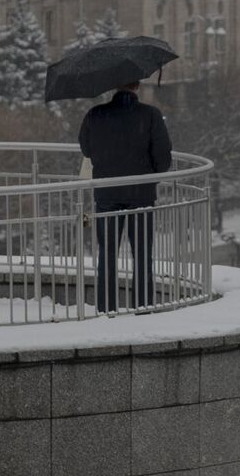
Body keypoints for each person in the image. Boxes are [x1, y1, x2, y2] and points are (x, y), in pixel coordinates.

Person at [78, 81, 174, 312]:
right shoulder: (150, 115)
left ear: (112, 86)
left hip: (107, 192)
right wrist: (150, 174)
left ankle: (106, 308)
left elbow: (87, 149)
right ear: (137, 85)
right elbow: (163, 156)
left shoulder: (96, 114)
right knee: (142, 254)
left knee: (107, 254)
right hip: (141, 194)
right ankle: (142, 306)